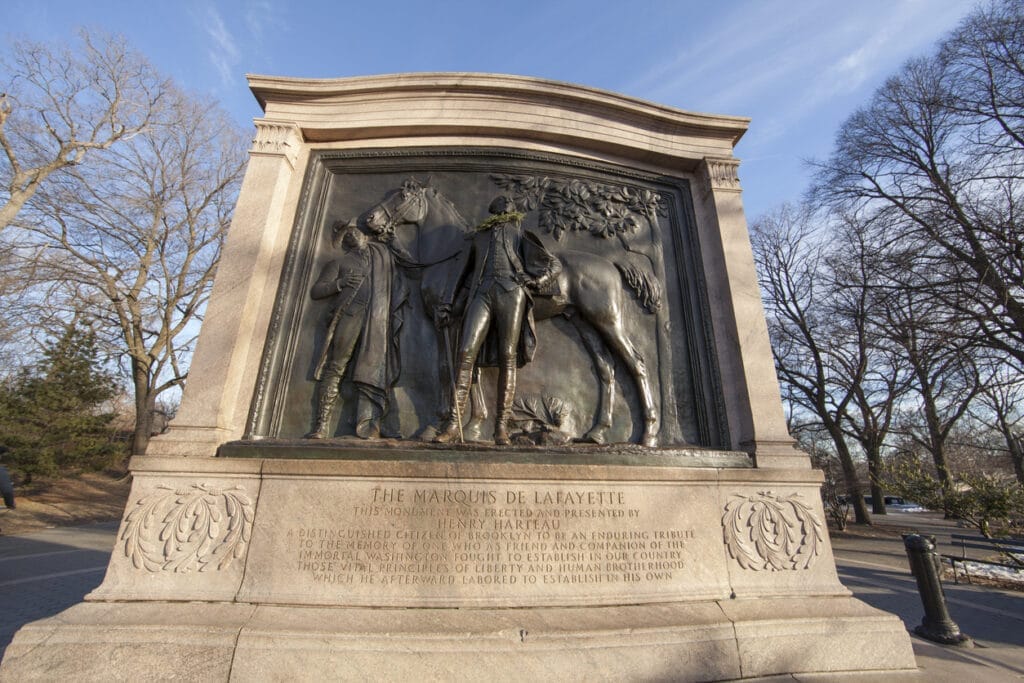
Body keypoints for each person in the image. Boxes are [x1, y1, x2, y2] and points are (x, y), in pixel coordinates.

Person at [434, 195, 559, 445]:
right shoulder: (478, 237)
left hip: (511, 292)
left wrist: (539, 281)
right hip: (481, 293)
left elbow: (553, 265)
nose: (504, 209)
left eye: (507, 207)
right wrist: (448, 301)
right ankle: (452, 424)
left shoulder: (520, 234)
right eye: (500, 208)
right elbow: (462, 272)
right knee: (466, 351)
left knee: (507, 355)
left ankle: (501, 427)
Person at [305, 222, 410, 439]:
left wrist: (395, 241)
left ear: (363, 235)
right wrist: (339, 283)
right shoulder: (339, 262)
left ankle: (375, 422)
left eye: (355, 230)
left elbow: (408, 262)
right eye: (347, 233)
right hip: (350, 317)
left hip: (378, 320)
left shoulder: (382, 256)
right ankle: (321, 425)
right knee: (337, 366)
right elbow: (316, 290)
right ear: (344, 241)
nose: (352, 234)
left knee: (378, 367)